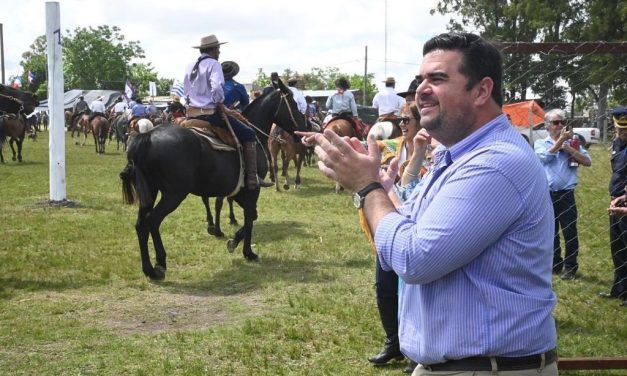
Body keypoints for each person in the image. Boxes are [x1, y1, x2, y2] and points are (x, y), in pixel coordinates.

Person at [299, 32, 558, 375]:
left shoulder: (495, 162)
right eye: (421, 79)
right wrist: (381, 181)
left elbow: (413, 257)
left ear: (482, 90)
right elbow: (408, 224)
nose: (420, 89)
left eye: (437, 79)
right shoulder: (458, 155)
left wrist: (367, 186)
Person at [367, 102, 428, 375]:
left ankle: (415, 351)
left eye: (407, 119)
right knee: (385, 289)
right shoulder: (392, 146)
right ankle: (393, 342)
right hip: (389, 226)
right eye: (400, 120)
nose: (402, 124)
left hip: (416, 228)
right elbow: (366, 146)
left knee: (411, 294)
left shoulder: (433, 150)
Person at [184, 34, 272, 189]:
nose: (219, 52)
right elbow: (217, 88)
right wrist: (219, 102)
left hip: (190, 114)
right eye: (218, 48)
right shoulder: (213, 64)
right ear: (212, 50)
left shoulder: (190, 65)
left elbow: (186, 89)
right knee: (249, 134)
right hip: (210, 114)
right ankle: (252, 178)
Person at [534, 109, 591, 280]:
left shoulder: (573, 143)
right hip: (548, 194)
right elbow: (545, 157)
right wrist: (560, 142)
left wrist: (570, 149)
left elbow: (587, 161)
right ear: (547, 126)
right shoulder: (540, 143)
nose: (560, 126)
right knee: (550, 231)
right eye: (555, 122)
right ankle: (555, 263)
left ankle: (570, 267)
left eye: (562, 122)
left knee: (570, 232)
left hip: (566, 194)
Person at [603, 106, 627, 307]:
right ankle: (619, 289)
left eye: (625, 130)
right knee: (617, 248)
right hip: (616, 199)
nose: (622, 133)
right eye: (619, 128)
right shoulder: (617, 144)